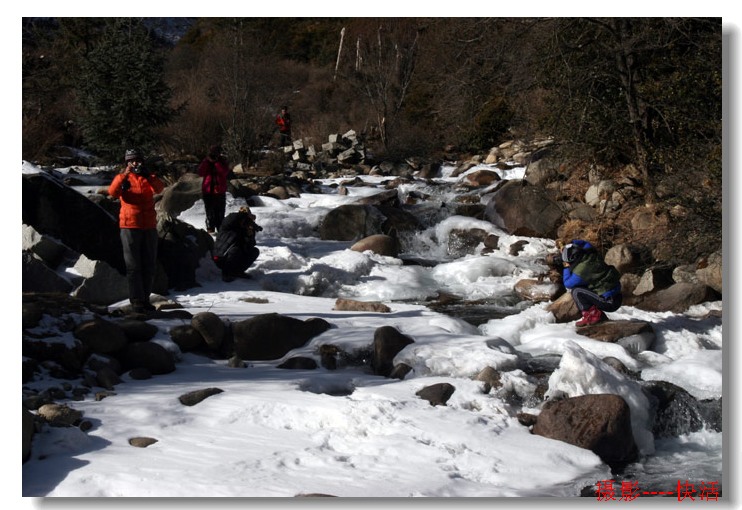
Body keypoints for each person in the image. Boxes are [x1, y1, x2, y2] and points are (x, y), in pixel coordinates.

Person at [108, 148, 165, 314]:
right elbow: (112, 192)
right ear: (127, 163)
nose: (135, 163)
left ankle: (145, 299)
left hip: (149, 226)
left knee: (149, 265)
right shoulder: (122, 177)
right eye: (131, 161)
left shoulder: (148, 177)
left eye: (138, 160)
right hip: (129, 226)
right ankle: (136, 301)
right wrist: (124, 177)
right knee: (133, 266)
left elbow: (160, 189)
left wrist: (149, 176)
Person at [561, 239, 622, 327]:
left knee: (576, 291)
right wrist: (572, 243)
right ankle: (597, 314)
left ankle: (593, 316)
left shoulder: (581, 271)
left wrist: (566, 267)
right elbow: (586, 243)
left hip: (609, 302)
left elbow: (567, 283)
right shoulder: (591, 254)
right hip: (616, 295)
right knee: (585, 286)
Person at [212, 206, 262, 282]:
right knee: (235, 249)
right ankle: (226, 273)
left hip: (234, 258)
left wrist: (250, 236)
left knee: (254, 251)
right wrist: (244, 215)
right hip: (221, 257)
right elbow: (233, 218)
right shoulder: (230, 222)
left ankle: (237, 272)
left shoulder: (246, 229)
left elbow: (249, 247)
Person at [197, 145, 231, 234]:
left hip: (219, 191)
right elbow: (200, 172)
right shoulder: (206, 162)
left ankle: (221, 232)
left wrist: (216, 162)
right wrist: (207, 161)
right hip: (208, 191)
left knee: (220, 214)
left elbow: (224, 172)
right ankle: (210, 231)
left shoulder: (222, 161)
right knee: (210, 213)